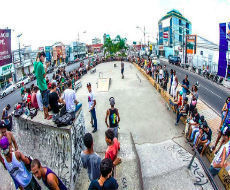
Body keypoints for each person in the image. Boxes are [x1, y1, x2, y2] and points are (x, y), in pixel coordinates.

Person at [34, 52, 52, 120]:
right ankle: (47, 116)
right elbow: (44, 76)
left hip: (40, 86)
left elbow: (36, 61)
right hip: (43, 86)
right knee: (46, 103)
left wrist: (38, 55)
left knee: (44, 102)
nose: (44, 58)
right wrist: (46, 67)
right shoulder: (41, 65)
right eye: (44, 57)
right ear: (41, 56)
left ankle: (45, 115)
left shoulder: (36, 64)